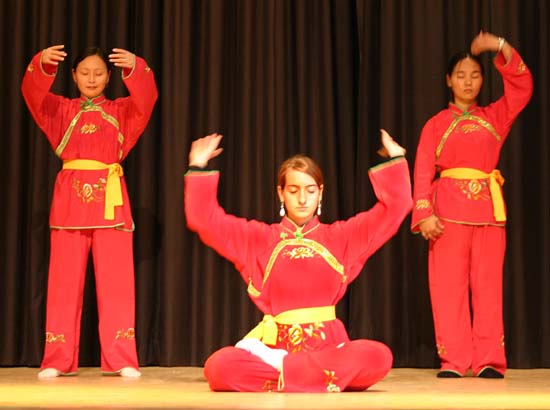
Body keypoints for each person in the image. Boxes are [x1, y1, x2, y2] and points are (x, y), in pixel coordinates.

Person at [184, 130, 412, 392]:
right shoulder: (257, 239)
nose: (302, 199)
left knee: (378, 356)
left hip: (327, 348)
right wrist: (197, 165)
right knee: (219, 367)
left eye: (310, 190)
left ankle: (286, 372)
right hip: (275, 348)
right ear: (281, 193)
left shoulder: (343, 237)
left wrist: (396, 158)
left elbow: (396, 208)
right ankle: (318, 378)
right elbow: (205, 220)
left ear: (320, 193)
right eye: (293, 190)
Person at [21, 44, 158, 379]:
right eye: (84, 72)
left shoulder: (122, 111)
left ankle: (121, 357)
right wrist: (41, 65)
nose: (92, 78)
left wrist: (136, 68)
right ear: (73, 75)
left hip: (110, 201)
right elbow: (32, 95)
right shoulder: (60, 109)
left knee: (117, 282)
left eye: (98, 73)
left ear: (109, 76)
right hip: (69, 200)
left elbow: (147, 98)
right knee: (63, 283)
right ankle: (57, 358)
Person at [411, 32, 533, 378]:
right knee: (447, 289)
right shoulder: (435, 125)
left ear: (483, 80)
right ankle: (454, 360)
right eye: (461, 75)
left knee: (488, 287)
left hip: (488, 213)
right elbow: (422, 172)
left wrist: (500, 46)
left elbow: (523, 87)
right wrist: (425, 215)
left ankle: (489, 359)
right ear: (448, 80)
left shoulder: (495, 116)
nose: (468, 82)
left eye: (475, 75)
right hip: (447, 214)